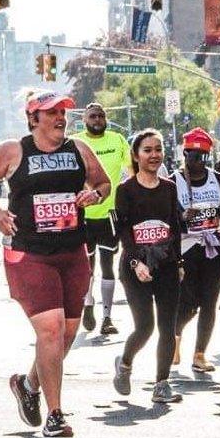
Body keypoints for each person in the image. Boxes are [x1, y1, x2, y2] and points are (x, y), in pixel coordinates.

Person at [0, 90, 110, 437]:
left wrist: (95, 194)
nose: (60, 118)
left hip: (72, 251)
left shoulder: (78, 149)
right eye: (51, 113)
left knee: (66, 334)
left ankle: (29, 385)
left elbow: (104, 183)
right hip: (29, 253)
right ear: (33, 118)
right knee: (50, 329)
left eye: (63, 111)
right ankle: (56, 414)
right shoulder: (13, 150)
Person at [111, 128, 183, 403]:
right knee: (145, 327)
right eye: (147, 150)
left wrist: (179, 262)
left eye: (157, 149)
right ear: (136, 155)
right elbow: (125, 232)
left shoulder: (169, 188)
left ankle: (162, 384)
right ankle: (125, 362)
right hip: (135, 269)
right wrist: (135, 262)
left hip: (165, 267)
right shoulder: (125, 190)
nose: (153, 155)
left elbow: (175, 228)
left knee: (168, 327)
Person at [172, 127, 220, 372]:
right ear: (184, 154)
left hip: (211, 249)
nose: (197, 161)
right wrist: (183, 216)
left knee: (209, 302)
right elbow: (168, 216)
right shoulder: (172, 182)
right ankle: (174, 338)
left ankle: (199, 354)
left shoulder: (218, 180)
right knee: (188, 304)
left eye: (202, 157)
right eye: (192, 156)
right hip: (185, 249)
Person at [71, 103, 131, 335]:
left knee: (108, 265)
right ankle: (88, 305)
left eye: (101, 116)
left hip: (110, 213)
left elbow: (133, 168)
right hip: (83, 214)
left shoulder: (117, 140)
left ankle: (107, 317)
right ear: (84, 120)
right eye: (93, 116)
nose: (98, 119)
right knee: (87, 267)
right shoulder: (74, 142)